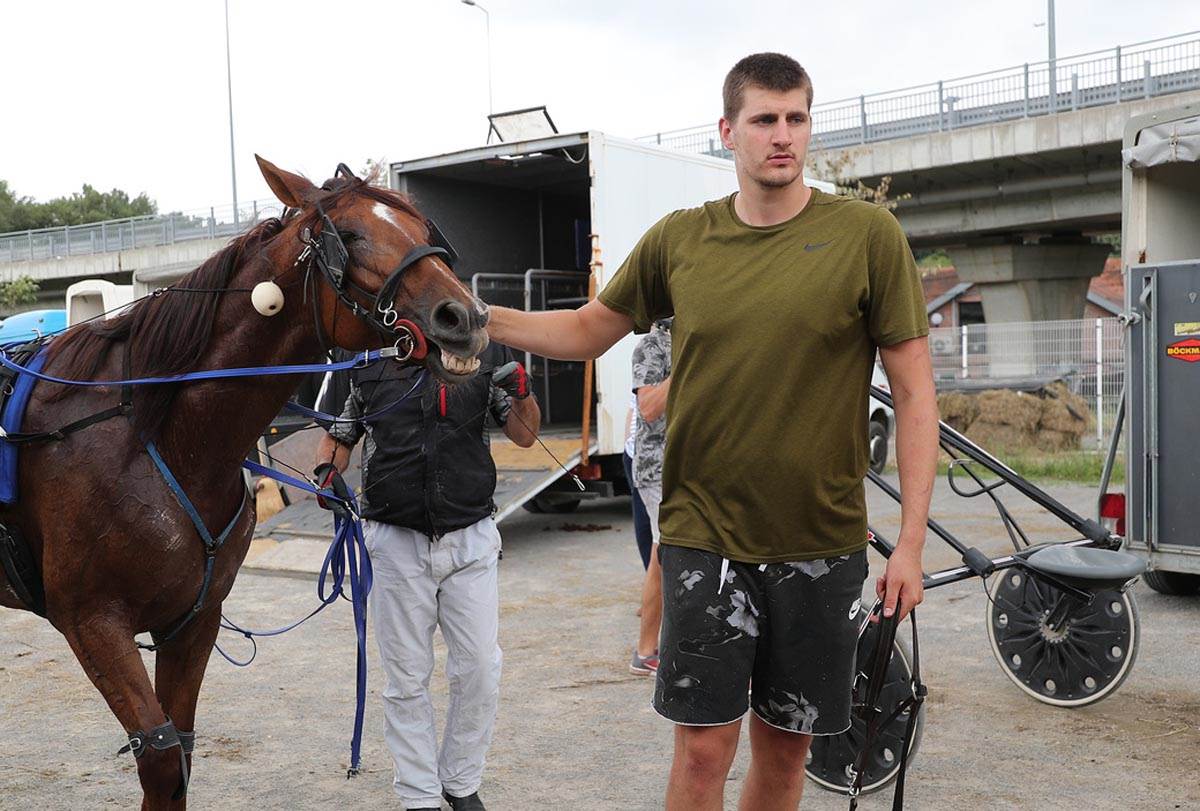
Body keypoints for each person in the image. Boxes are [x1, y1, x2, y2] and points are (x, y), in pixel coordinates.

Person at [485, 52, 939, 810]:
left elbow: (917, 396)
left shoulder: (867, 236)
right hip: (704, 537)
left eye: (796, 117)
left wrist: (914, 544)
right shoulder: (680, 241)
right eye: (764, 119)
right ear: (728, 131)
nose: (782, 135)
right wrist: (482, 319)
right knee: (701, 753)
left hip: (819, 541)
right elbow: (588, 329)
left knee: (787, 752)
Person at [314, 343, 540, 811]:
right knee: (406, 679)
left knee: (480, 668)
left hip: (470, 537)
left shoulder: (477, 363)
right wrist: (325, 473)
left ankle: (459, 782)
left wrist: (522, 392)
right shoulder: (369, 371)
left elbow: (524, 433)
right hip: (395, 543)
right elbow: (338, 438)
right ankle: (419, 795)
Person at [629, 319, 672, 675]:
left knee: (668, 554)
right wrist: (691, 363)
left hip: (690, 466)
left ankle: (656, 647)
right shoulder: (652, 346)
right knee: (664, 554)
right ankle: (645, 651)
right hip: (657, 468)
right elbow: (649, 407)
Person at [622, 391, 654, 570]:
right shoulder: (645, 367)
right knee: (645, 526)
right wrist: (627, 446)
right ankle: (651, 576)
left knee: (657, 530)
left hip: (656, 456)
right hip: (634, 453)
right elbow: (633, 407)